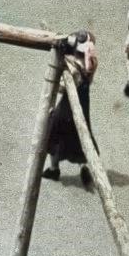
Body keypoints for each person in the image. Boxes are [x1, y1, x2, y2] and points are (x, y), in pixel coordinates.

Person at [42, 31, 98, 187]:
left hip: (68, 106)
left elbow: (60, 88)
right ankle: (84, 166)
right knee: (80, 134)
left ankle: (54, 169)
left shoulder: (72, 68)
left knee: (53, 132)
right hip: (83, 104)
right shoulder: (91, 63)